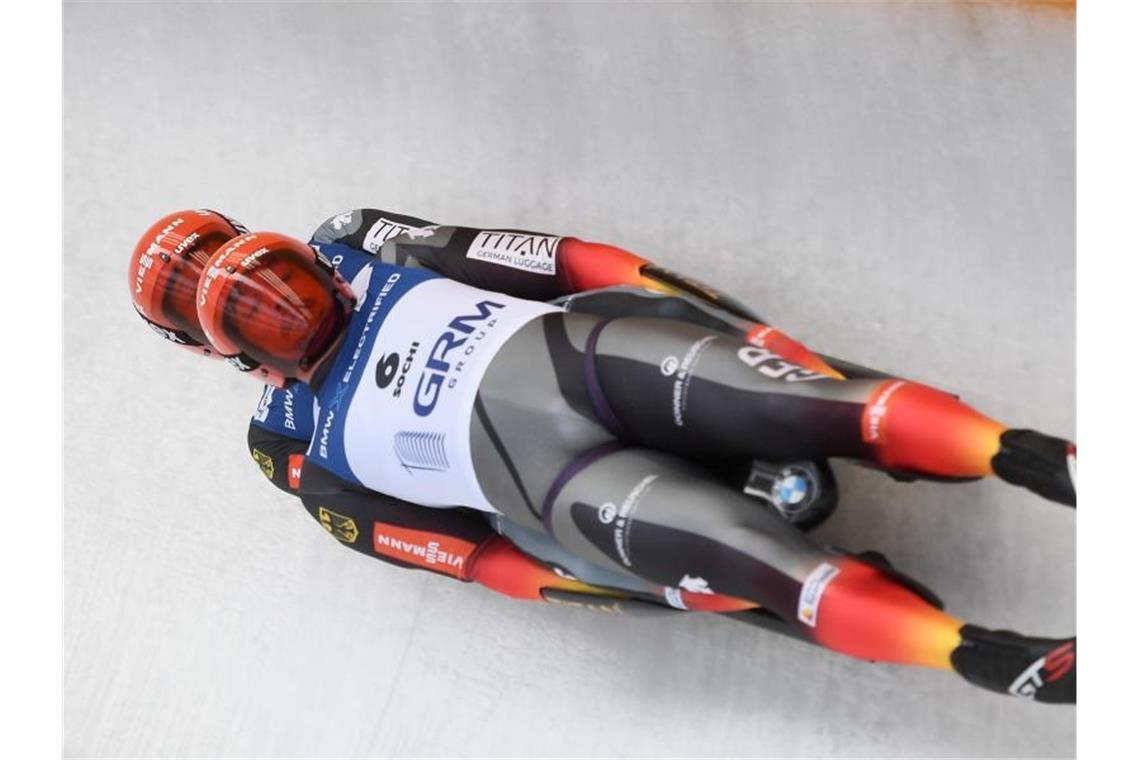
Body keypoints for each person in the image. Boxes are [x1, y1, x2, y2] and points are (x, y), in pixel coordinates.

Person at [129, 208, 1076, 703]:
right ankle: (986, 653)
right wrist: (593, 588)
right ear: (225, 351)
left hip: (596, 366)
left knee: (817, 406)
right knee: (770, 561)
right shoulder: (287, 447)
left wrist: (718, 317)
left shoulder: (366, 243)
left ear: (292, 248)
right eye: (257, 314)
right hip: (564, 489)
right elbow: (459, 552)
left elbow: (563, 263)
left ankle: (1036, 460)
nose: (292, 308)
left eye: (281, 278)